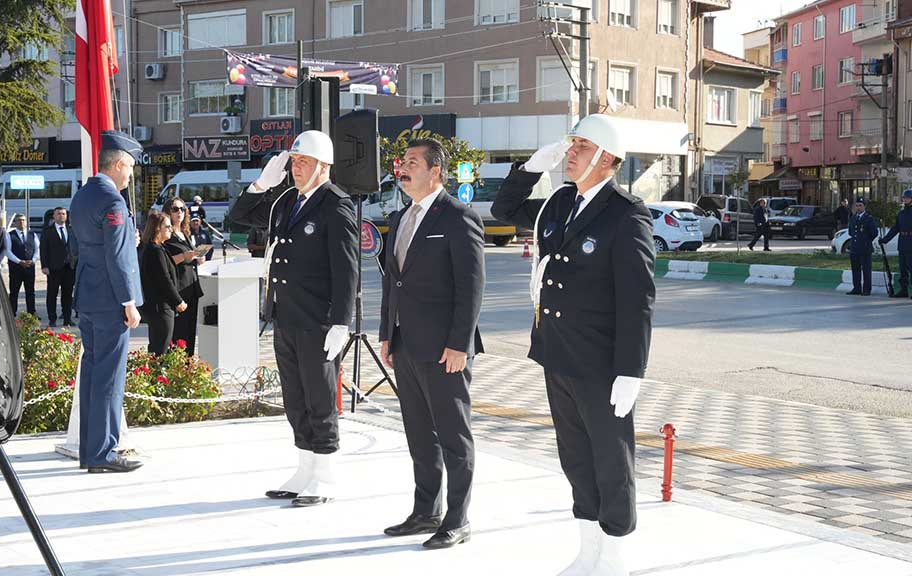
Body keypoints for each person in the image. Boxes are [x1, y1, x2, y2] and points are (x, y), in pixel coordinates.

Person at [492, 114, 655, 576]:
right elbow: (505, 211)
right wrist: (528, 169)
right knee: (575, 456)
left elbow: (637, 296)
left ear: (607, 160)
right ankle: (588, 550)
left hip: (602, 361)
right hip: (557, 351)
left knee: (611, 458)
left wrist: (631, 370)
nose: (571, 153)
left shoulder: (626, 213)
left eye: (581, 147)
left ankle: (616, 554)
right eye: (571, 145)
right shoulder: (560, 202)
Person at [229, 130, 359, 507]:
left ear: (324, 166)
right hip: (285, 316)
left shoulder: (336, 205)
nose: (296, 169)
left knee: (319, 397)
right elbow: (239, 218)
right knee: (295, 398)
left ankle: (327, 472)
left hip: (318, 320)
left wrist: (341, 322)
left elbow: (346, 268)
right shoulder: (287, 201)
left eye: (303, 162)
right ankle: (305, 468)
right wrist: (260, 184)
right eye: (294, 162)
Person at [379, 139, 485, 550]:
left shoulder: (459, 217)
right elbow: (393, 282)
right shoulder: (399, 216)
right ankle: (426, 511)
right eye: (402, 163)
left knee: (454, 438)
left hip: (446, 349)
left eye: (412, 163)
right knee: (419, 434)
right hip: (406, 344)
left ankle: (457, 519)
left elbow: (471, 286)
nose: (402, 169)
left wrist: (460, 343)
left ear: (436, 171)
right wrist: (388, 334)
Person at [69, 130, 144, 474]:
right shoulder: (113, 202)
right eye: (129, 167)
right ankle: (105, 452)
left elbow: (81, 249)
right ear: (117, 165)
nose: (130, 174)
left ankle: (90, 450)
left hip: (88, 294)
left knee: (92, 374)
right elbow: (116, 256)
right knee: (110, 378)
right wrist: (128, 301)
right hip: (111, 300)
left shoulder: (82, 196)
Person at [139, 211, 187, 355]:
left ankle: (155, 376)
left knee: (157, 348)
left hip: (159, 307)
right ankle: (157, 377)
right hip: (161, 308)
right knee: (160, 349)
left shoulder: (157, 248)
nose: (171, 229)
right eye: (167, 226)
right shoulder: (155, 250)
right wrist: (178, 301)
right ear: (157, 229)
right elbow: (164, 279)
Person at [162, 197, 203, 357]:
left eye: (182, 209)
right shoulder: (166, 233)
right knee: (178, 331)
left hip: (191, 286)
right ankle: (176, 367)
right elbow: (164, 260)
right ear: (168, 212)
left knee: (190, 331)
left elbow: (189, 256)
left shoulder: (185, 232)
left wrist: (197, 257)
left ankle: (187, 365)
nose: (179, 212)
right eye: (175, 209)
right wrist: (184, 256)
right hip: (178, 288)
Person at [40, 206, 77, 327]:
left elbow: (75, 247)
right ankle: (52, 319)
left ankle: (67, 318)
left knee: (67, 295)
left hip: (69, 267)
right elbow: (43, 249)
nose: (61, 216)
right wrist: (44, 266)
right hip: (54, 268)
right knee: (52, 294)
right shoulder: (48, 231)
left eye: (63, 214)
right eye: (59, 214)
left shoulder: (71, 229)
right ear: (54, 216)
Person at [5, 213, 39, 318]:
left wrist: (33, 260)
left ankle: (31, 313)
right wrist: (19, 261)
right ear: (15, 223)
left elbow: (37, 249)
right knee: (14, 292)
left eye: (23, 220)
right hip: (16, 268)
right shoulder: (10, 235)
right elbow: (8, 251)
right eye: (19, 220)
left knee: (30, 292)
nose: (22, 222)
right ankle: (12, 313)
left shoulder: (32, 234)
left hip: (30, 267)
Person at [879, 189, 912, 298]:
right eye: (904, 198)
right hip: (902, 243)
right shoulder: (901, 214)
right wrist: (885, 239)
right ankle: (904, 290)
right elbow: (895, 229)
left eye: (907, 198)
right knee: (903, 269)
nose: (905, 199)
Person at [847, 197, 878, 296]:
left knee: (866, 270)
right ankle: (857, 288)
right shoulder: (853, 218)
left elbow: (874, 233)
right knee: (855, 269)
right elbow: (851, 232)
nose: (858, 207)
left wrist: (866, 241)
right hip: (855, 248)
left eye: (860, 205)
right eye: (857, 205)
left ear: (864, 206)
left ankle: (866, 289)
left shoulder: (869, 218)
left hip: (865, 248)